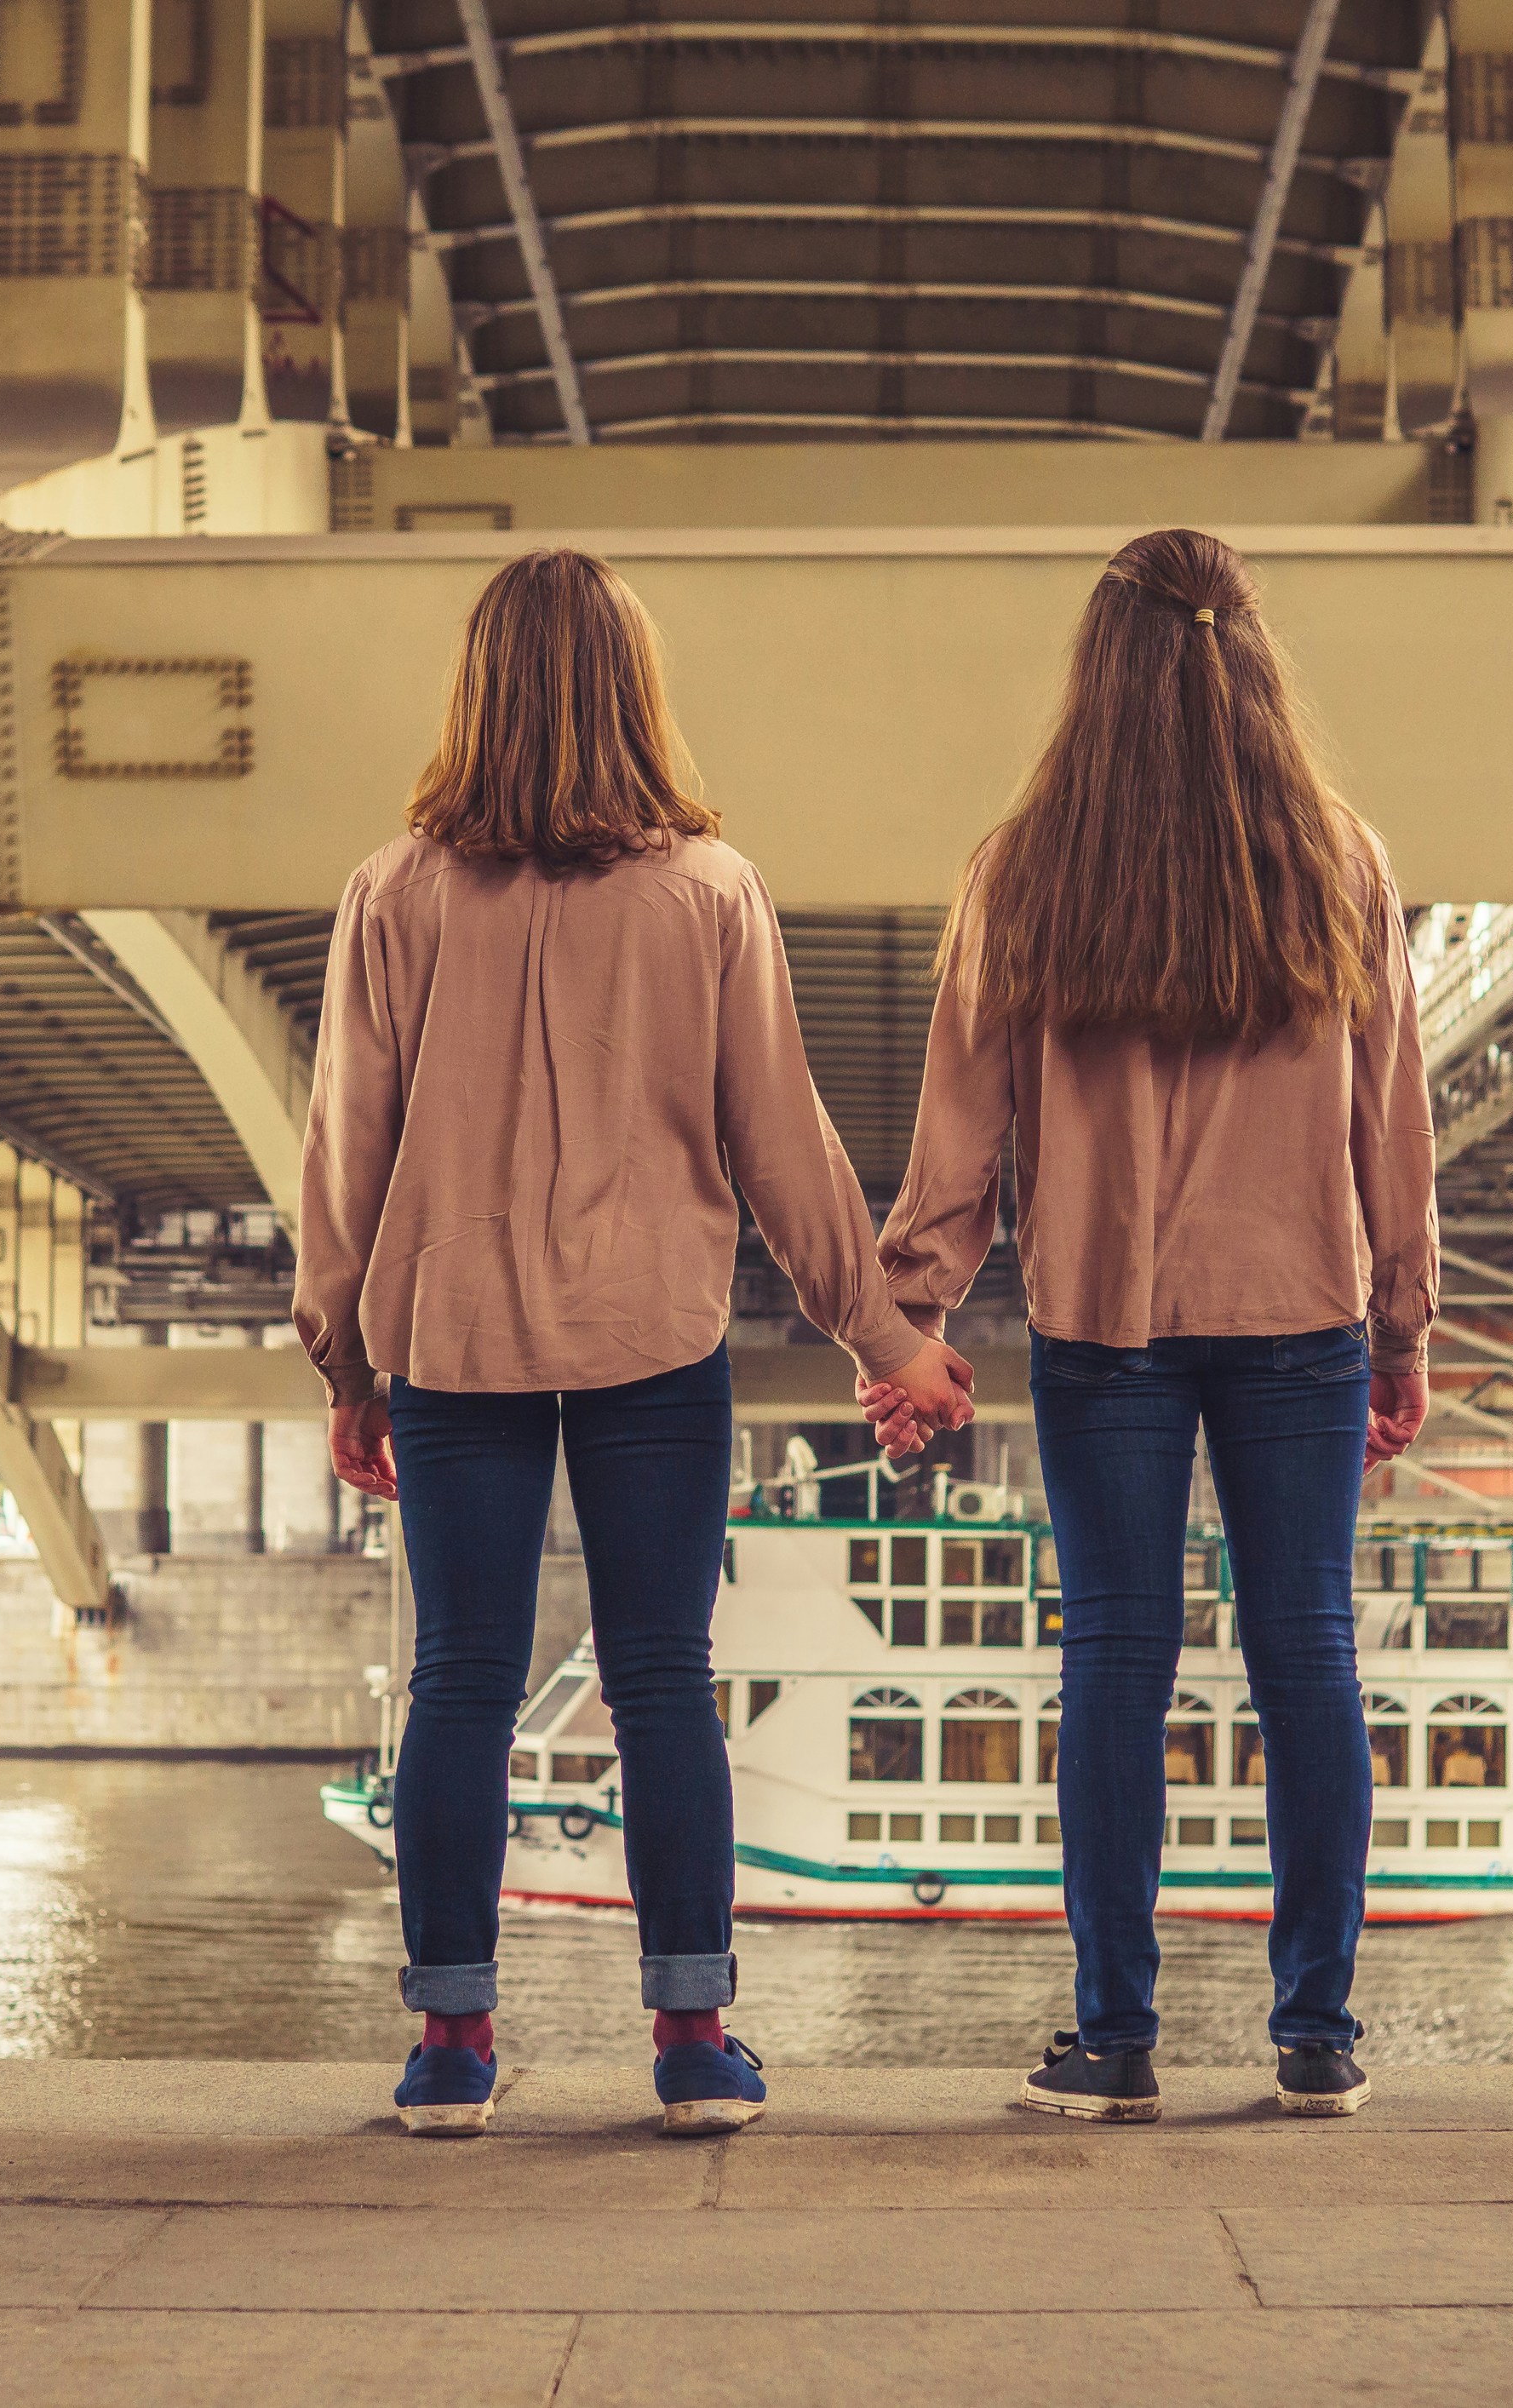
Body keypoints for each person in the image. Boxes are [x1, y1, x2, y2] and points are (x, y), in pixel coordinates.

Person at [294, 548, 976, 2140]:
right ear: (634, 693)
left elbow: (346, 1151)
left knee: (459, 1684)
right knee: (665, 1679)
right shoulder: (705, 893)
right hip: (652, 1338)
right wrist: (884, 1337)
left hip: (450, 1341)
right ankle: (689, 2043)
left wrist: (344, 1361)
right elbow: (781, 1147)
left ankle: (451, 2054)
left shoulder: (393, 892)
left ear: (475, 692)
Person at [864, 529, 1434, 2124]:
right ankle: (1315, 2035)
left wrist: (907, 1321)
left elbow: (959, 1129)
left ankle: (1114, 2037)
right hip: (1302, 1306)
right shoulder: (1341, 860)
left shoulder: (1024, 868)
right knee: (1304, 1648)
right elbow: (1393, 1124)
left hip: (1104, 1320)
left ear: (1095, 673)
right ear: (1251, 662)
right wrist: (1401, 1327)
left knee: (1117, 1657)